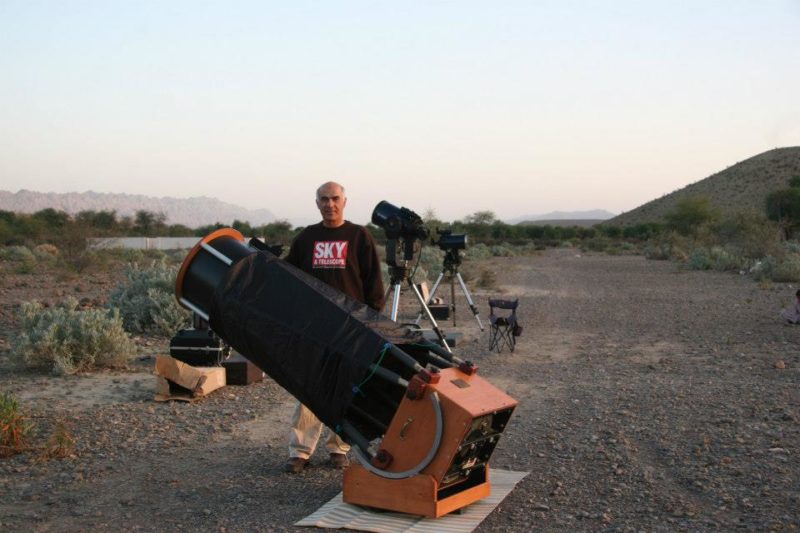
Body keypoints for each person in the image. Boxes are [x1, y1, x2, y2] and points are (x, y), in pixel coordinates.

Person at [283, 181, 385, 474]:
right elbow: (290, 278)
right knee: (310, 387)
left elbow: (373, 282)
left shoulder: (358, 236)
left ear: (345, 201)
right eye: (324, 199)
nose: (330, 204)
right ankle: (300, 451)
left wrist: (373, 322)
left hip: (352, 327)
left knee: (345, 387)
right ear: (317, 203)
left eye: (335, 198)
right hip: (315, 326)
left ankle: (338, 447)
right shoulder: (306, 238)